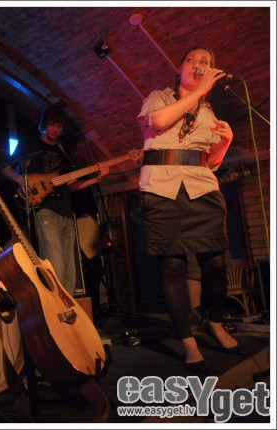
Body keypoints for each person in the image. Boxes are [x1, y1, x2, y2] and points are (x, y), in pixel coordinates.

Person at [137, 46, 244, 372]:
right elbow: (159, 121)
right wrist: (198, 92)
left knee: (216, 261)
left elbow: (212, 162)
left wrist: (226, 141)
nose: (197, 65)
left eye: (205, 62)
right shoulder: (159, 97)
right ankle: (187, 340)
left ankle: (215, 322)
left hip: (202, 188)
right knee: (172, 265)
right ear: (180, 68)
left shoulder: (208, 112)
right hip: (162, 189)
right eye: (191, 60)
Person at [1, 103, 108, 296]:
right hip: (45, 209)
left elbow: (72, 185)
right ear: (44, 124)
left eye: (59, 126)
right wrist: (20, 179)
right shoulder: (29, 143)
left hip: (67, 211)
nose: (54, 129)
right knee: (54, 262)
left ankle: (68, 304)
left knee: (70, 268)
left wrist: (96, 179)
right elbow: (4, 168)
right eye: (51, 124)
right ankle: (55, 304)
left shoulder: (63, 151)